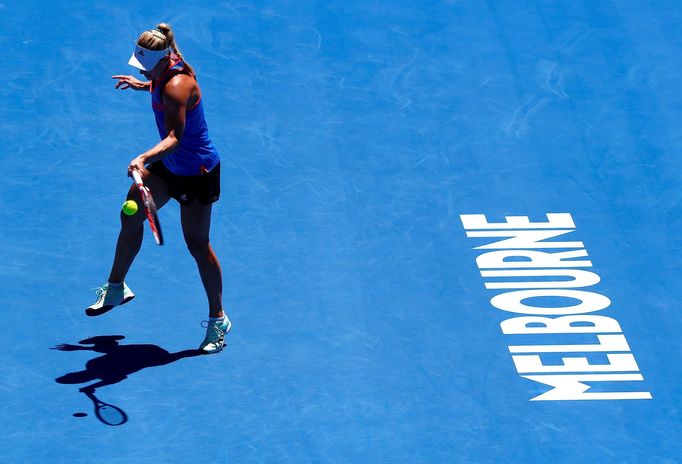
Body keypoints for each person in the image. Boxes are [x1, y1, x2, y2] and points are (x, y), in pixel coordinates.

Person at [86, 23, 231, 354]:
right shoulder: (164, 68)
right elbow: (157, 84)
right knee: (130, 212)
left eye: (146, 67)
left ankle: (218, 320)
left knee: (198, 246)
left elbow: (174, 138)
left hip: (197, 172)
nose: (144, 71)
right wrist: (142, 85)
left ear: (164, 60)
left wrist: (142, 156)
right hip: (170, 166)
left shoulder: (178, 87)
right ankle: (116, 287)